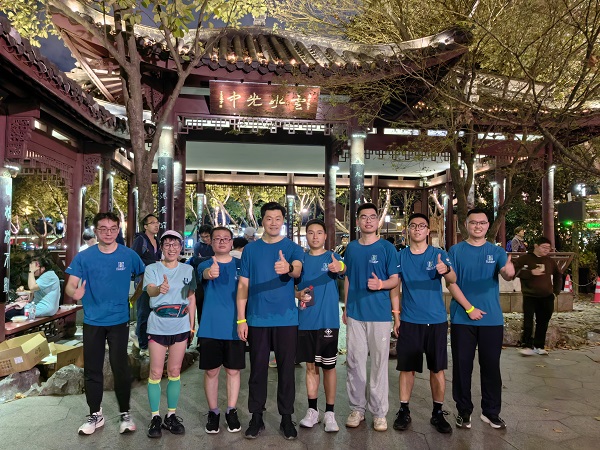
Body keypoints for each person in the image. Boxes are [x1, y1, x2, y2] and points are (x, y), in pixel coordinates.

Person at [65, 211, 145, 436]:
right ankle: (95, 414)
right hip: (92, 320)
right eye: (103, 229)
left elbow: (143, 277)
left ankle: (125, 414)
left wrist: (134, 298)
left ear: (118, 230)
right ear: (96, 231)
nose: (108, 233)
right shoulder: (84, 257)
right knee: (92, 369)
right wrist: (74, 292)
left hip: (119, 320)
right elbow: (70, 285)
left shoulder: (129, 255)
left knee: (121, 368)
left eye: (113, 229)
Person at [236, 202, 304, 440]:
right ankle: (256, 417)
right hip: (257, 319)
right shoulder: (250, 250)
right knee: (257, 371)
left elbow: (297, 270)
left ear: (283, 221)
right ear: (262, 220)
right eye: (268, 218)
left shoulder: (293, 248)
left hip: (286, 320)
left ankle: (286, 418)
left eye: (278, 218)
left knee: (286, 371)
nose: (273, 223)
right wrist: (241, 319)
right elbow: (243, 285)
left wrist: (287, 268)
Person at [446, 208, 515, 430]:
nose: (478, 226)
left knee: (491, 367)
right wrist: (470, 308)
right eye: (474, 222)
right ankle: (463, 411)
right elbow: (451, 283)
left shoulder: (496, 251)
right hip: (462, 318)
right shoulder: (455, 251)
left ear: (488, 226)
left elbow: (506, 273)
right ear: (466, 225)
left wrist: (510, 272)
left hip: (491, 319)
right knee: (462, 367)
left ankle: (491, 412)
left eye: (482, 223)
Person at [391, 213, 456, 434]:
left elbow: (453, 279)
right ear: (408, 230)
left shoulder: (439, 254)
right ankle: (403, 410)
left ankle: (438, 412)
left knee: (437, 368)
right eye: (413, 225)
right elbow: (395, 287)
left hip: (436, 321)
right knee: (406, 368)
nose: (417, 229)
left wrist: (446, 270)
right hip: (409, 320)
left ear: (428, 230)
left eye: (422, 226)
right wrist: (396, 316)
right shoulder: (400, 256)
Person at [343, 202, 399, 432]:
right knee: (354, 362)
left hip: (380, 315)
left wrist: (381, 284)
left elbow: (395, 279)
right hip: (355, 313)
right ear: (357, 221)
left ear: (378, 221)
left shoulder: (387, 248)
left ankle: (379, 412)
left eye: (372, 217)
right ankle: (357, 408)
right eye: (364, 217)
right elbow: (348, 278)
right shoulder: (351, 248)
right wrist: (346, 307)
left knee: (378, 364)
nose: (368, 220)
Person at [143, 230, 196, 438]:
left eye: (175, 244)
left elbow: (191, 298)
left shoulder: (188, 269)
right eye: (167, 244)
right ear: (162, 247)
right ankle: (155, 417)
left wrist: (192, 326)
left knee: (174, 371)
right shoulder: (152, 268)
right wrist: (159, 289)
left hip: (180, 325)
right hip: (158, 325)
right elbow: (150, 290)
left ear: (180, 247)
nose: (171, 248)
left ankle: (171, 415)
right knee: (156, 372)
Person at [296, 219, 345, 433]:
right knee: (310, 366)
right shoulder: (300, 260)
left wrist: (339, 266)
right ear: (305, 235)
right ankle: (312, 411)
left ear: (325, 236)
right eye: (311, 232)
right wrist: (297, 294)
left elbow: (344, 269)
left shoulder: (333, 257)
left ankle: (330, 413)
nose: (315, 236)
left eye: (319, 232)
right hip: (306, 321)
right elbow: (292, 287)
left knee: (329, 367)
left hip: (328, 321)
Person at [197, 227, 245, 434]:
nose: (222, 242)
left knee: (233, 371)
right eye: (217, 239)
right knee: (211, 371)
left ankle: (231, 410)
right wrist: (210, 273)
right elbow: (204, 275)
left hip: (235, 326)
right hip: (210, 327)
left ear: (232, 242)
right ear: (211, 242)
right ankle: (213, 412)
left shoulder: (241, 265)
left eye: (226, 238)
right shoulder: (204, 264)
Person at [513, 236, 562, 356]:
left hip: (547, 296)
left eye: (548, 248)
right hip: (530, 295)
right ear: (536, 246)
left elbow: (558, 275)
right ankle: (526, 345)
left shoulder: (550, 261)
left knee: (543, 321)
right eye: (544, 247)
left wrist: (556, 291)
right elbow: (514, 271)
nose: (546, 250)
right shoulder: (525, 258)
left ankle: (539, 345)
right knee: (528, 321)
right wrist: (530, 272)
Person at [132, 214, 162, 357]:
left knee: (153, 311)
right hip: (143, 280)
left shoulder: (157, 241)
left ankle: (149, 340)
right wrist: (154, 263)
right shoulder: (140, 240)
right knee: (143, 311)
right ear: (145, 226)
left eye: (157, 222)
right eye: (152, 223)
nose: (156, 225)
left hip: (156, 279)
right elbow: (134, 258)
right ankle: (143, 344)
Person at [5, 255, 60, 320]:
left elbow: (32, 287)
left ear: (42, 268)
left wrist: (31, 271)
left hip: (44, 308)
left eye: (34, 267)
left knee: (8, 313)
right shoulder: (46, 275)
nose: (32, 268)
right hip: (42, 307)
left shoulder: (49, 276)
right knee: (10, 310)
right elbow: (34, 291)